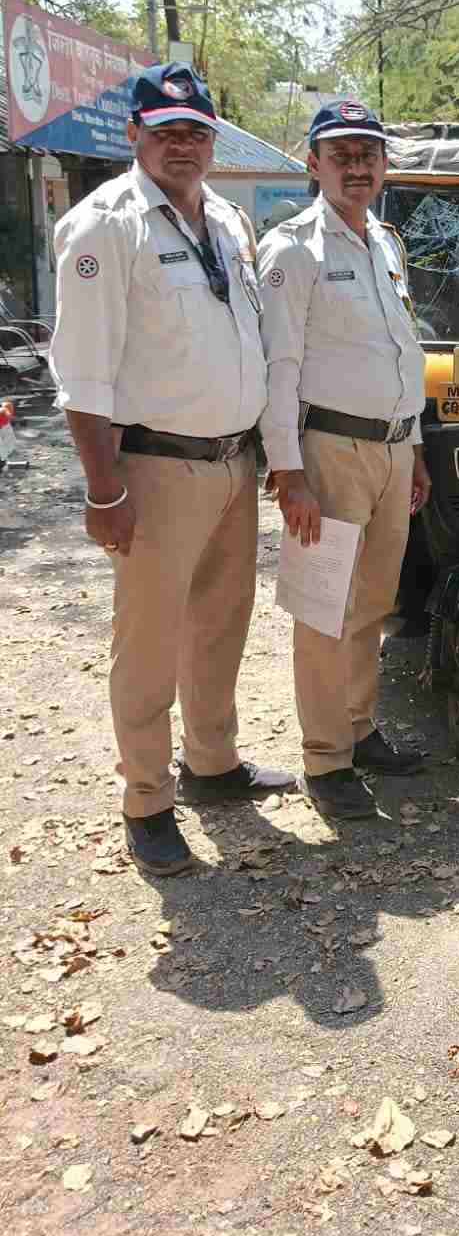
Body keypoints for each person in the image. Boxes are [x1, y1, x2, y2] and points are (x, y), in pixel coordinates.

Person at [48, 62, 293, 877]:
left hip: (232, 461)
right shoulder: (104, 226)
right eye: (166, 131)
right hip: (154, 469)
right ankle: (147, 801)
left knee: (221, 622)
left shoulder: (225, 218)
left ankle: (212, 764)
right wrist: (104, 490)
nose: (182, 145)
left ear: (212, 141)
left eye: (195, 132)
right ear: (135, 135)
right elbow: (83, 377)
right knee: (149, 642)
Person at [256, 99, 431, 823]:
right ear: (314, 163)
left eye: (368, 154)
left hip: (392, 450)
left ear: (384, 164)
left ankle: (358, 726)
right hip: (328, 451)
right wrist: (288, 472)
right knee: (321, 605)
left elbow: (401, 352)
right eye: (342, 154)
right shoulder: (293, 249)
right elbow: (278, 368)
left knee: (372, 603)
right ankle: (325, 758)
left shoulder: (384, 242)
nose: (357, 166)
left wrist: (414, 447)